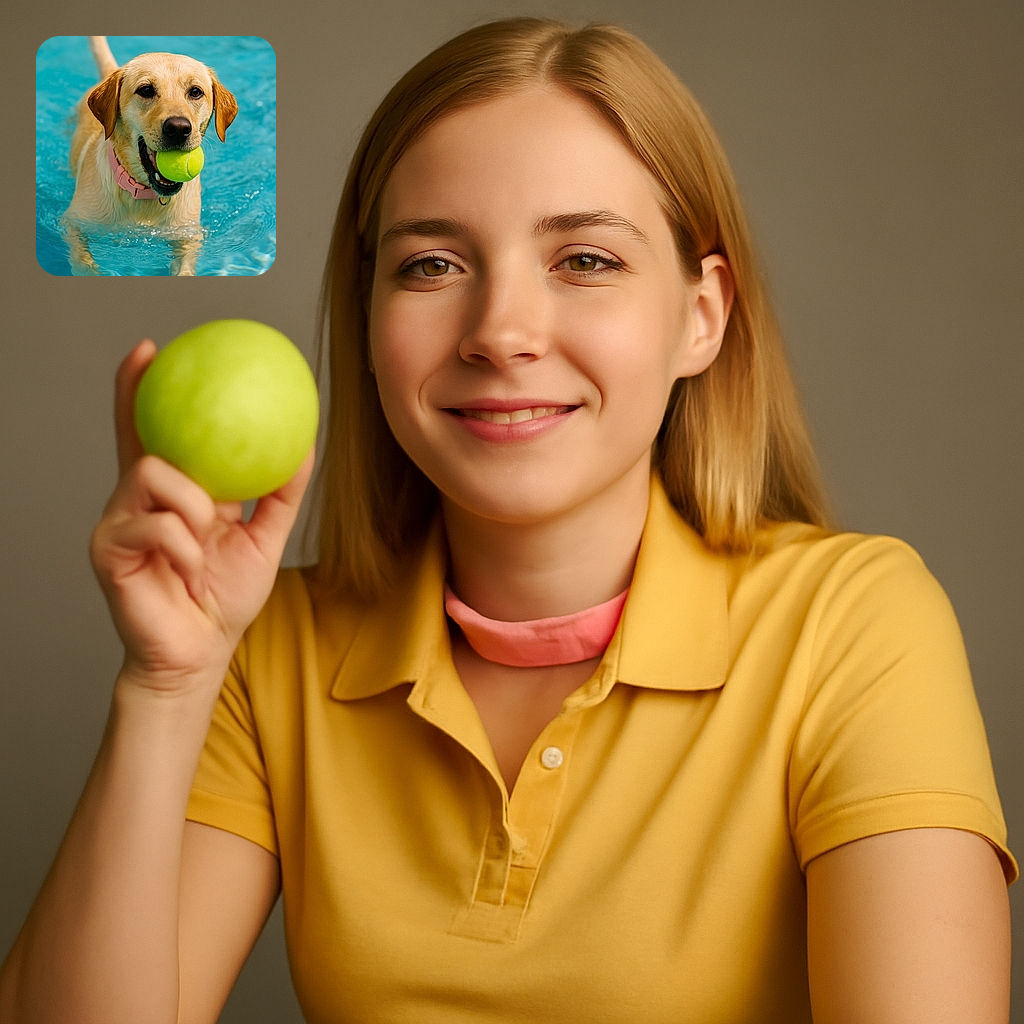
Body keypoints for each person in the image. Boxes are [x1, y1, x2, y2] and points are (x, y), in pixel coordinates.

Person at [0, 17, 1015, 1024]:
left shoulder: (853, 623)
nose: (499, 334)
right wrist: (168, 684)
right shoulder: (271, 650)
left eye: (583, 260)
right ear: (368, 319)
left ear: (700, 316)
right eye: (432, 266)